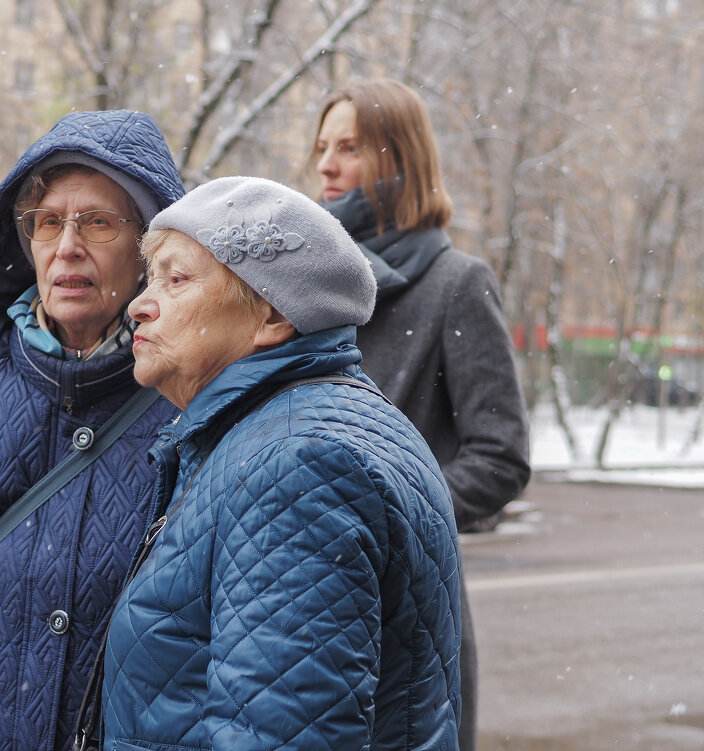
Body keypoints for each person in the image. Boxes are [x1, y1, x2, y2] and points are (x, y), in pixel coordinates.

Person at [96, 176, 462, 750]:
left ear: (271, 313)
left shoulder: (295, 468)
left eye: (177, 278)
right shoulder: (280, 430)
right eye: (149, 278)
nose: (139, 305)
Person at [0, 110, 185, 751]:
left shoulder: (190, 400)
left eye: (98, 222)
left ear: (150, 250)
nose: (68, 245)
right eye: (49, 222)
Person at [311, 77, 532, 751]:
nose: (325, 164)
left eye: (348, 146)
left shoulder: (455, 284)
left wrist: (389, 512)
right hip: (304, 604)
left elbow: (501, 456)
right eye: (321, 146)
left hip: (407, 613)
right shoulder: (307, 285)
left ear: (398, 159)